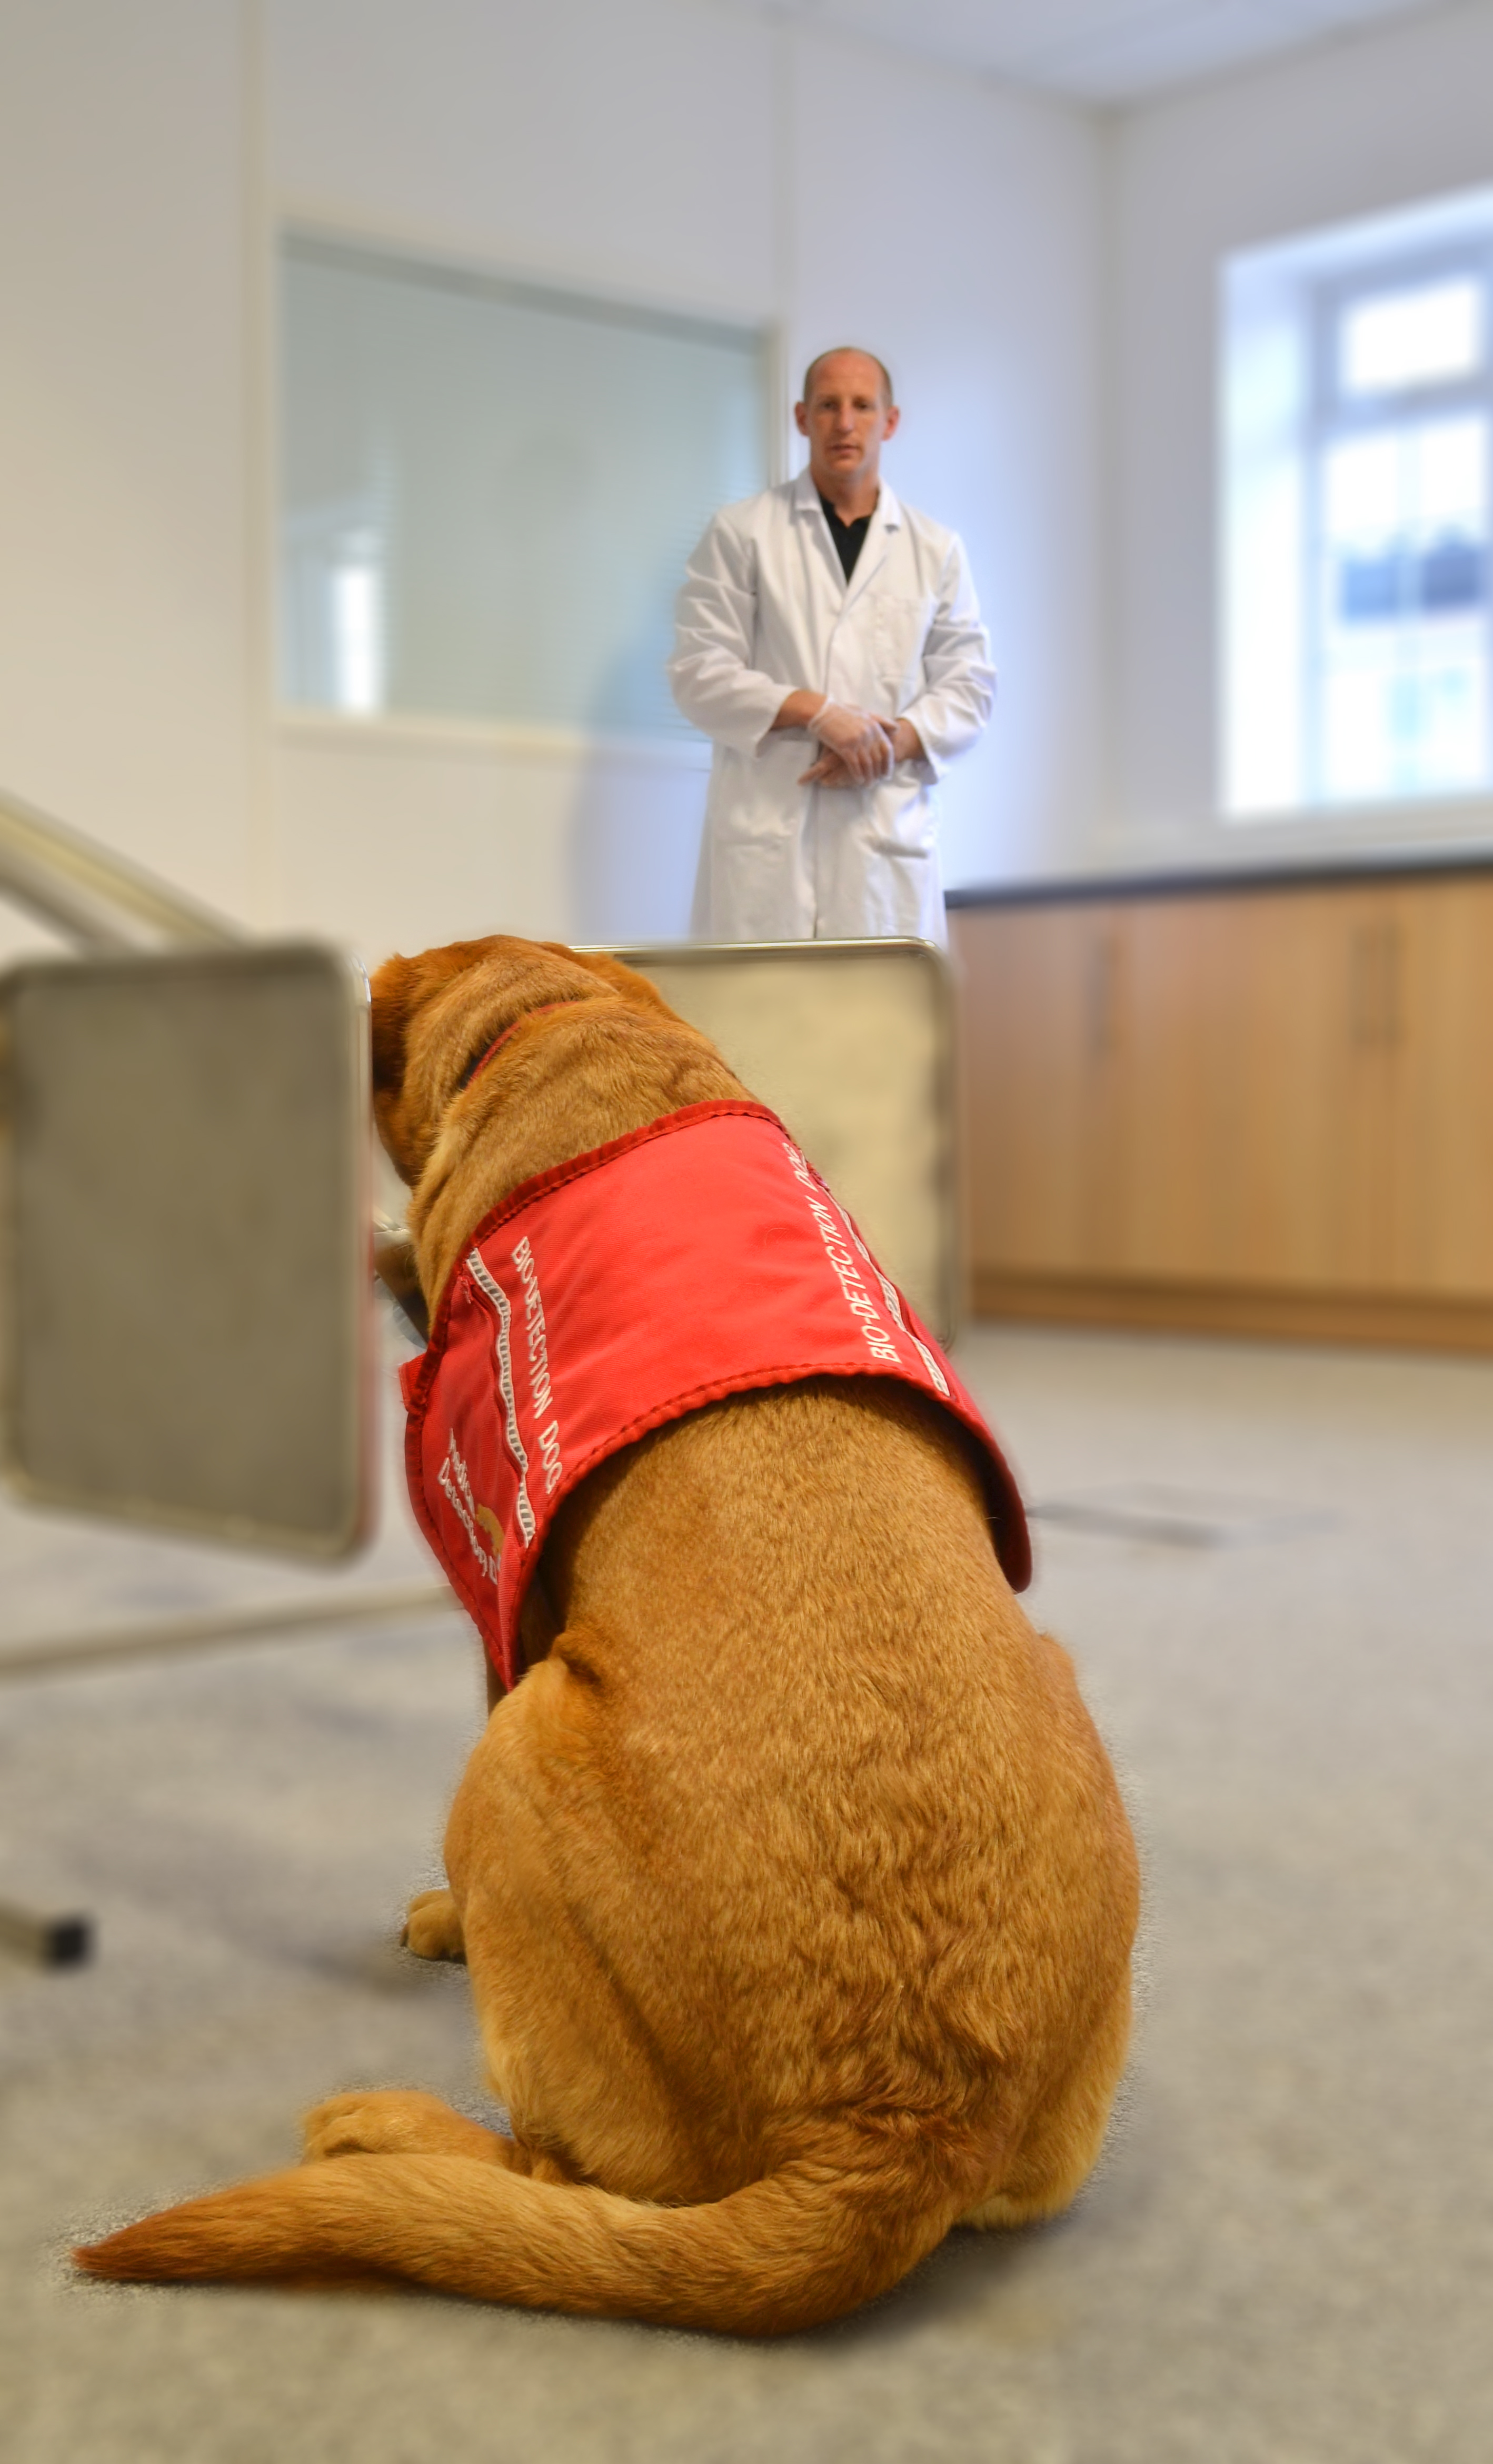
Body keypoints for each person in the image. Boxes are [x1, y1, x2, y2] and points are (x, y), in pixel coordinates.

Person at [668, 347, 995, 946]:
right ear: (801, 417)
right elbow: (698, 673)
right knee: (754, 1031)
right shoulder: (743, 532)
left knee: (882, 1031)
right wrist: (819, 713)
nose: (845, 423)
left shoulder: (935, 549)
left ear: (889, 421)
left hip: (882, 847)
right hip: (768, 846)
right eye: (828, 406)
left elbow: (970, 689)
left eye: (862, 406)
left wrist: (884, 743)